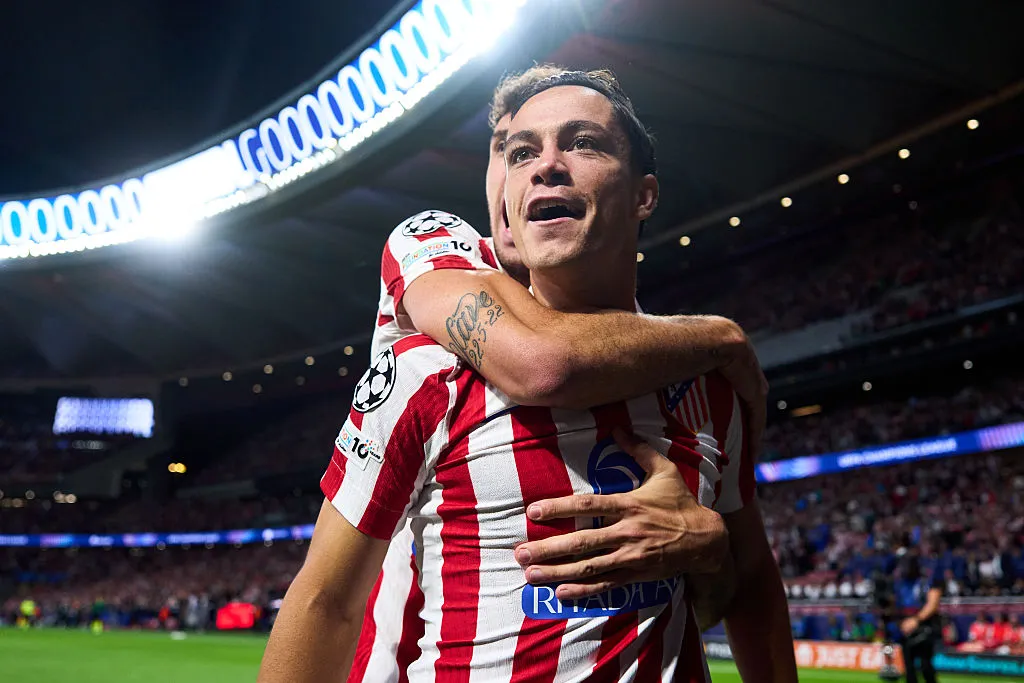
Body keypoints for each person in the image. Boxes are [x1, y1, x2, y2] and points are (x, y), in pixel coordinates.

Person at [259, 70, 793, 682]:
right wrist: (725, 335)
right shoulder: (427, 365)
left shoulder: (708, 386)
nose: (546, 166)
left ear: (645, 195)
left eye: (583, 143)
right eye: (519, 152)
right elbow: (323, 602)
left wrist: (711, 549)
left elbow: (744, 587)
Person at [897, 555, 943, 683]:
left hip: (925, 627)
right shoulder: (903, 584)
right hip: (906, 628)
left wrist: (916, 620)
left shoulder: (927, 582)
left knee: (925, 665)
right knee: (908, 666)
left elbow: (932, 604)